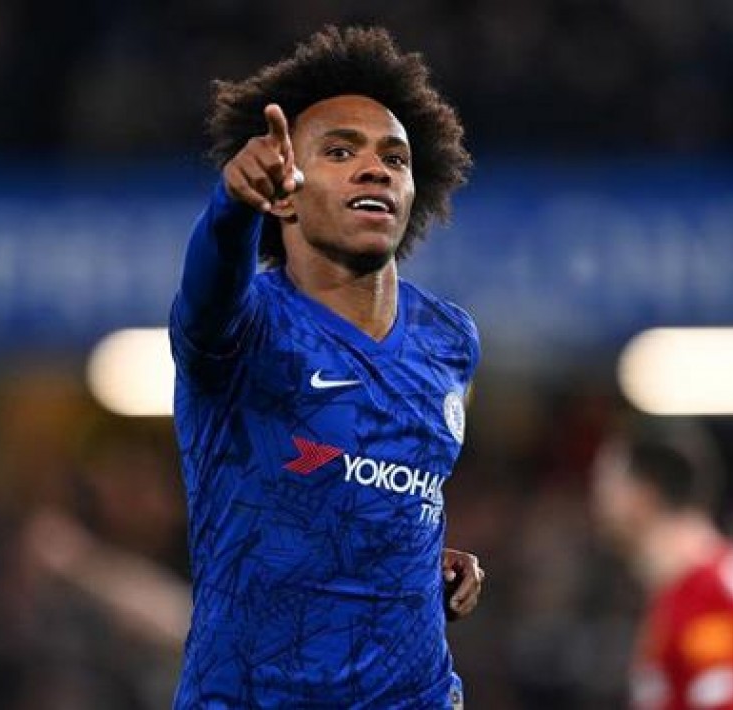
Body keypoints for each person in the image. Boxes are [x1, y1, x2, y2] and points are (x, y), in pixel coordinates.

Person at [169, 26, 484, 708]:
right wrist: (231, 209)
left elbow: (376, 482)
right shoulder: (241, 327)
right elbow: (208, 287)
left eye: (394, 158)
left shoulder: (449, 341)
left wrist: (418, 556)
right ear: (284, 194)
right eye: (340, 152)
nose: (375, 169)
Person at [591, 432, 733, 709]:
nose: (597, 503)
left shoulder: (717, 593)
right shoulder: (675, 590)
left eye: (607, 487)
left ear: (644, 495)